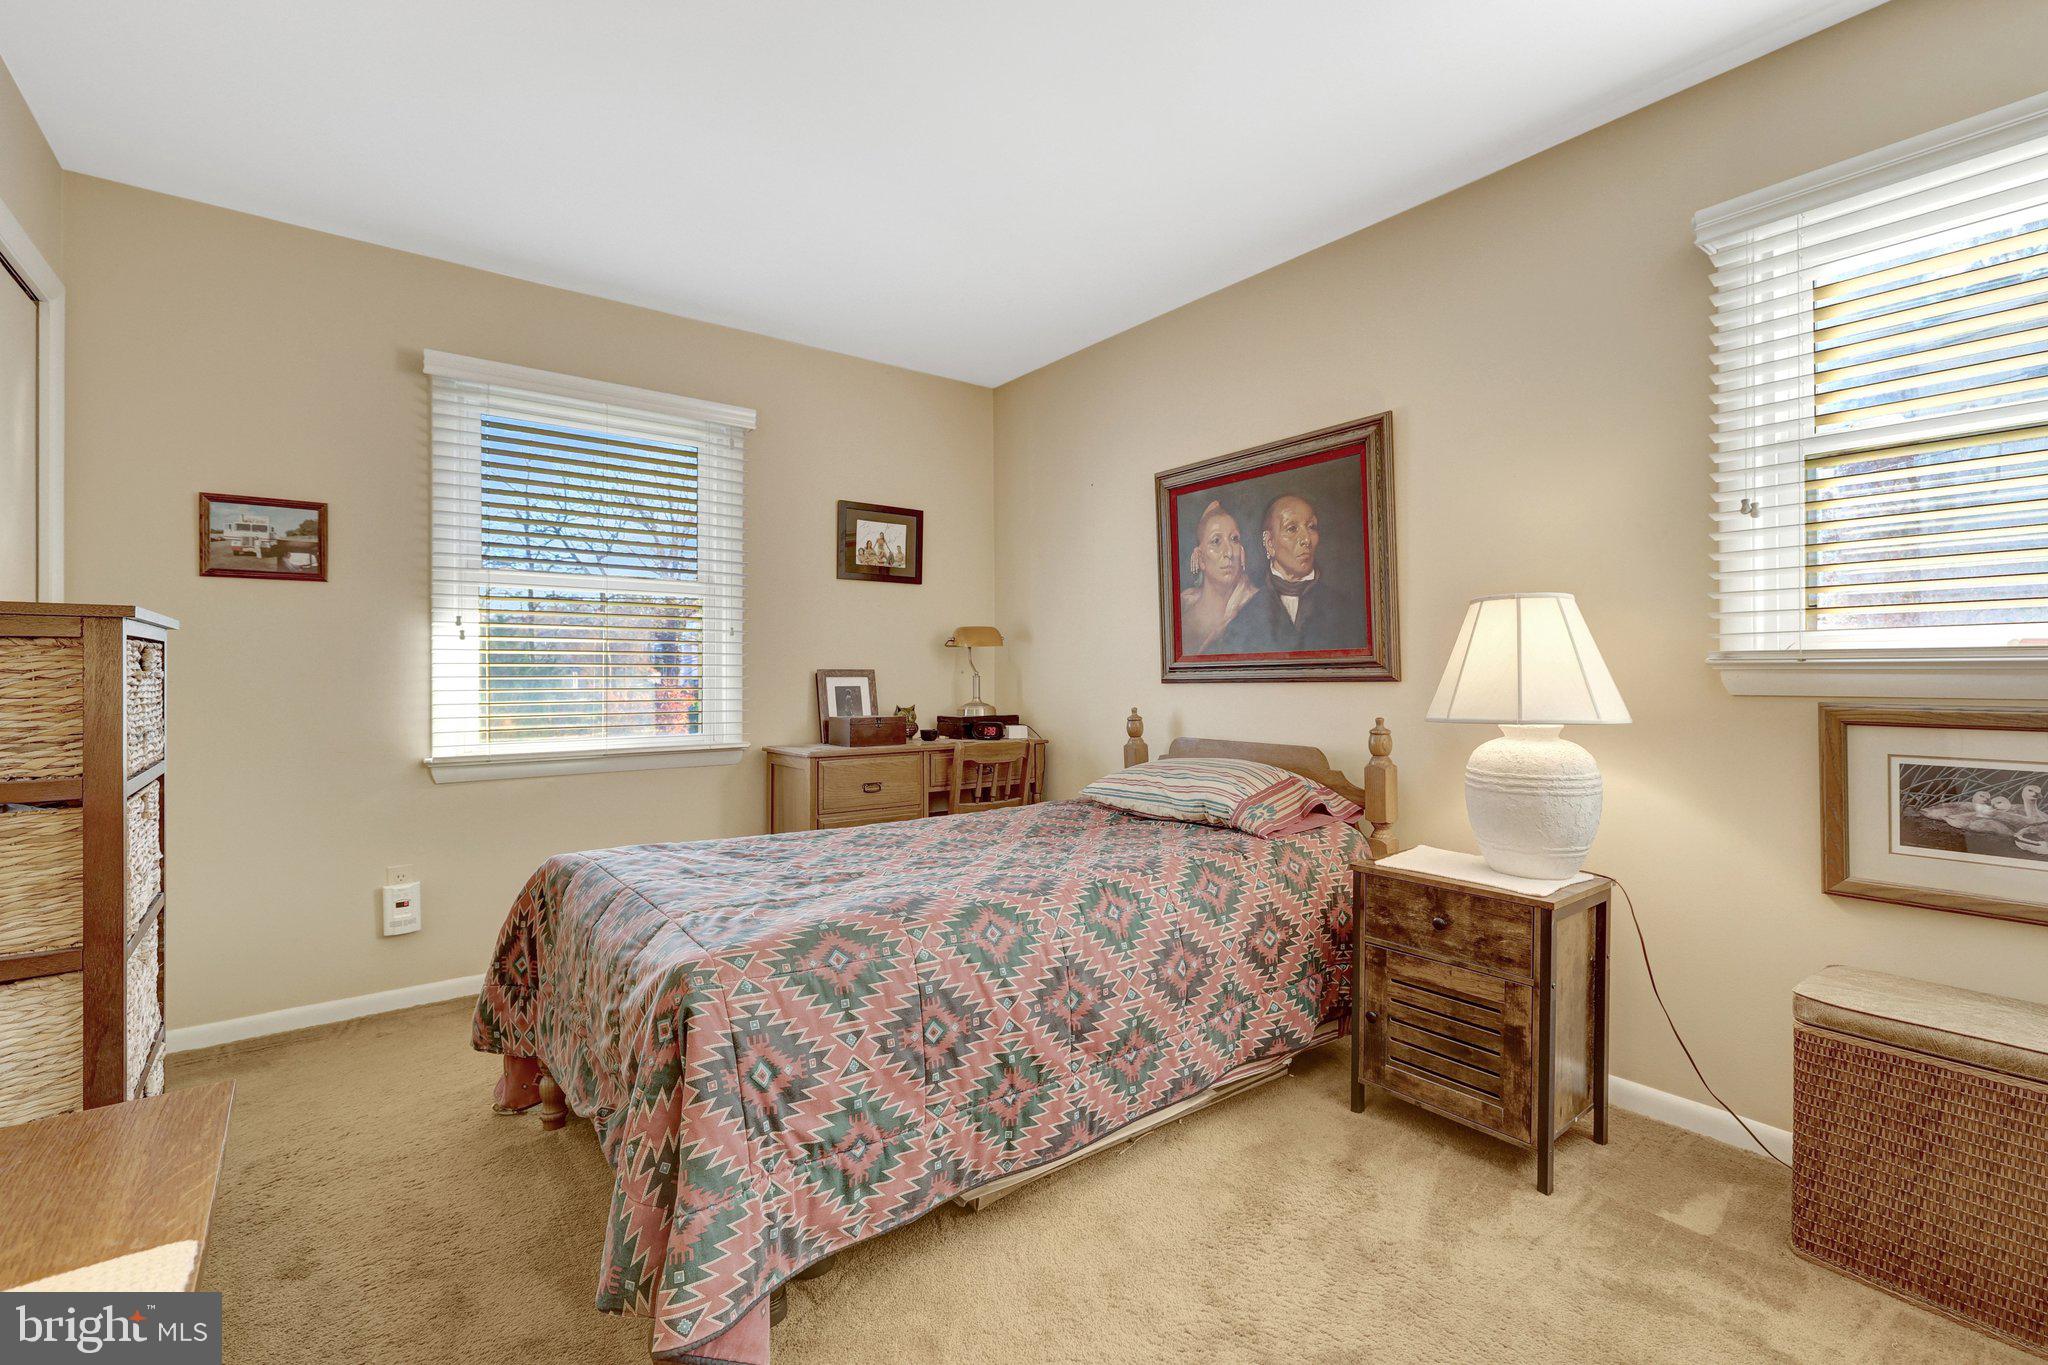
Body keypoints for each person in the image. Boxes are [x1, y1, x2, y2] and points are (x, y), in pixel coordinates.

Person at [1209, 491, 1365, 654]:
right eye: (1292, 529)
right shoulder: (1243, 619)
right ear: (1270, 543)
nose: (1306, 539)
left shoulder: (1345, 611)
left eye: (1311, 527)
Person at [1179, 500, 1258, 653]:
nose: (1229, 552)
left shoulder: (1257, 604)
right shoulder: (1183, 606)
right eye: (1216, 541)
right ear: (1201, 558)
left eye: (1234, 539)